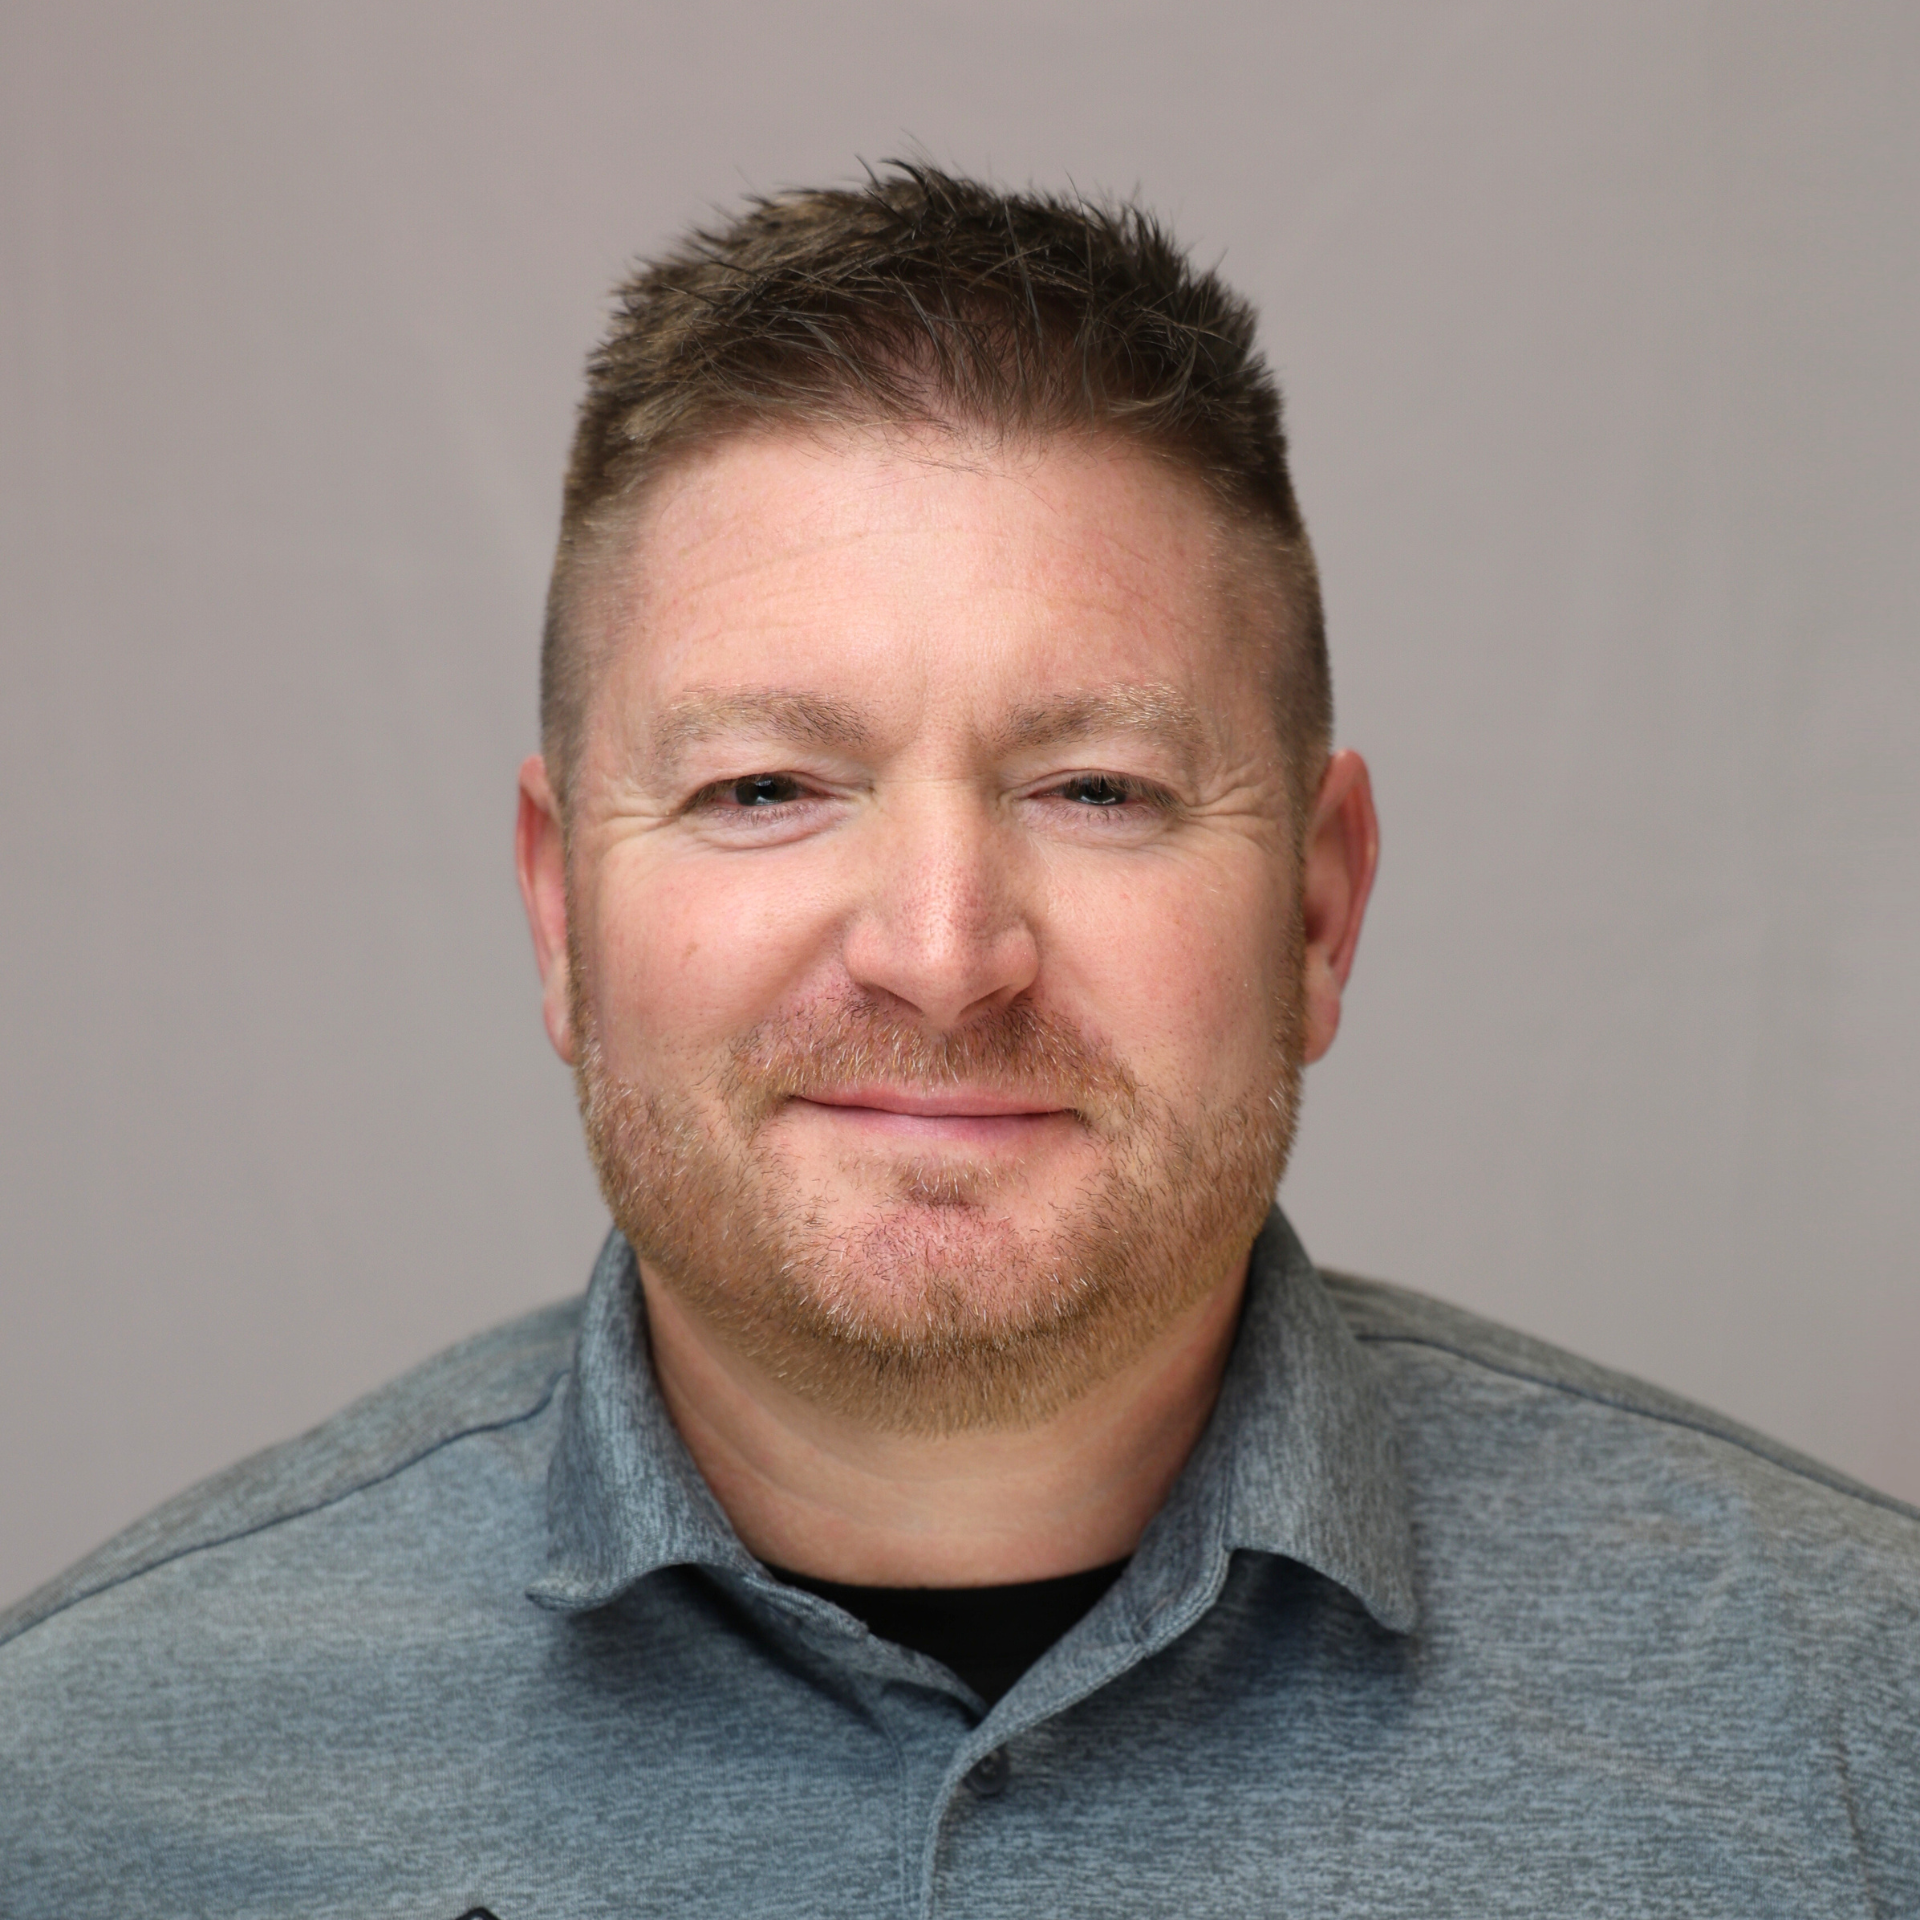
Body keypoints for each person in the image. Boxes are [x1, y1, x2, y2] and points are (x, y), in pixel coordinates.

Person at [2, 165, 1914, 1917]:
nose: (941, 956)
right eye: (764, 787)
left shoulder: (1857, 1741)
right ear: (559, 907)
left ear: (1320, 908)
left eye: (1095, 788)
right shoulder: (74, 1795)